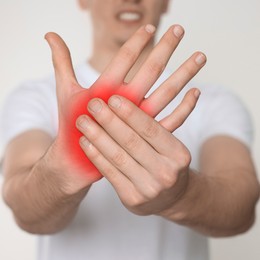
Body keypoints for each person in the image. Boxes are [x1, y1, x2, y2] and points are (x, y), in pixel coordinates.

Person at [1, 0, 259, 260]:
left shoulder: (213, 101)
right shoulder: (35, 97)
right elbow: (24, 209)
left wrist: (181, 196)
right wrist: (62, 172)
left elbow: (242, 207)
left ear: (166, 2)